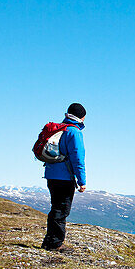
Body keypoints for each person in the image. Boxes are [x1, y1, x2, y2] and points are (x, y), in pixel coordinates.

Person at [41, 103, 87, 251]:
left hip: (51, 175)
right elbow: (78, 158)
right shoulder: (74, 132)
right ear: (82, 117)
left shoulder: (60, 129)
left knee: (56, 208)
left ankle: (50, 241)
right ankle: (54, 244)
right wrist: (82, 181)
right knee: (61, 210)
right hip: (65, 177)